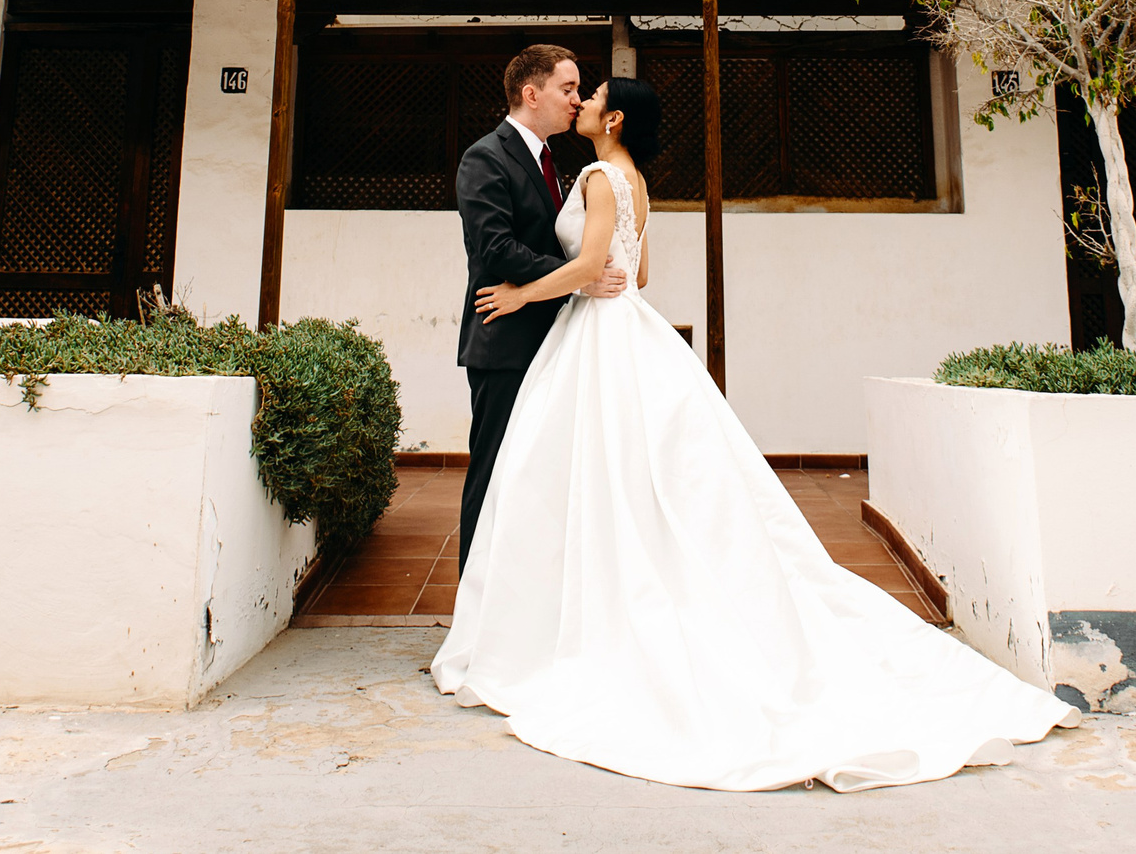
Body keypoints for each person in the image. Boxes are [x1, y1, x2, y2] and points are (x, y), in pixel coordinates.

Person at [432, 76, 1080, 792]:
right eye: (573, 91)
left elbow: (592, 269)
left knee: (585, 473)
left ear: (611, 118)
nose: (580, 102)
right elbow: (637, 269)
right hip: (630, 329)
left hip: (592, 333)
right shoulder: (633, 178)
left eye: (592, 97)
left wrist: (525, 291)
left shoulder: (593, 174)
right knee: (629, 476)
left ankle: (567, 618)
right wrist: (597, 276)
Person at [452, 44, 627, 568]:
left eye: (579, 91)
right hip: (505, 339)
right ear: (532, 94)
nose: (576, 100)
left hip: (554, 341)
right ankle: (473, 609)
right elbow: (495, 248)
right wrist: (579, 281)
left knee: (538, 480)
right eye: (567, 89)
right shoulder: (485, 156)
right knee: (493, 471)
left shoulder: (556, 162)